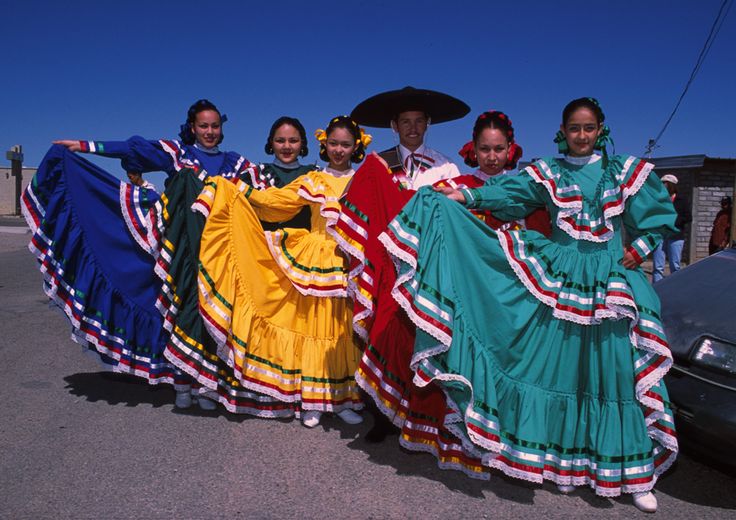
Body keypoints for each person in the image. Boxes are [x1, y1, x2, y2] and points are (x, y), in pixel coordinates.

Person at [382, 97, 677, 512]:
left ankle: (634, 476)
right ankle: (567, 465)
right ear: (563, 132)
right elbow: (509, 192)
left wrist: (641, 246)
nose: (581, 135)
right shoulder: (549, 173)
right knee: (561, 369)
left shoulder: (624, 171)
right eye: (574, 128)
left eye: (588, 128)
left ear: (601, 130)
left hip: (609, 279)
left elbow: (659, 218)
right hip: (560, 274)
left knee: (611, 371)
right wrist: (462, 200)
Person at [45, 99, 269, 410]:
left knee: (215, 317)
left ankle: (206, 385)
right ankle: (182, 383)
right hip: (181, 249)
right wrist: (85, 146)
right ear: (192, 127)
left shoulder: (238, 164)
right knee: (179, 313)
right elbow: (132, 149)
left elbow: (266, 194)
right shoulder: (179, 153)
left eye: (215, 126)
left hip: (222, 254)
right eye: (203, 125)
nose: (209, 131)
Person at [168, 116, 369, 426]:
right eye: (333, 144)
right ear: (324, 145)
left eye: (345, 144)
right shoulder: (314, 180)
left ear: (355, 147)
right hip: (314, 254)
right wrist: (235, 190)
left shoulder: (364, 179)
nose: (339, 150)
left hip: (346, 259)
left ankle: (340, 401)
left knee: (340, 330)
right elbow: (278, 202)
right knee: (313, 327)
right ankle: (311, 401)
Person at [258, 116, 318, 231]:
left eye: (293, 141)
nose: (286, 146)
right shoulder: (256, 175)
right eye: (280, 141)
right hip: (264, 246)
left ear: (302, 143)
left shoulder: (315, 175)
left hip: (307, 247)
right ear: (271, 142)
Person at [651, 174, 691, 282]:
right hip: (660, 236)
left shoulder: (681, 200)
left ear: (671, 185)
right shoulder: (659, 199)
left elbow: (688, 217)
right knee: (658, 266)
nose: (662, 185)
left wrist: (673, 222)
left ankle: (675, 287)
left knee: (675, 265)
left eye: (665, 183)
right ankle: (657, 288)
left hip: (676, 236)